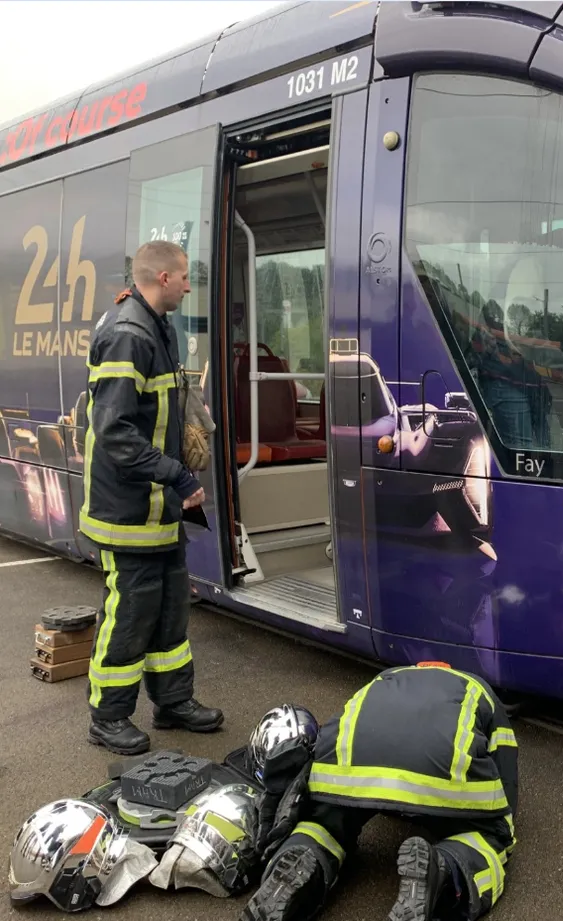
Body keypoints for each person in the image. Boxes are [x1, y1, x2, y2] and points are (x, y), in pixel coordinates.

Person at [80, 239, 223, 757]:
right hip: (127, 509)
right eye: (183, 277)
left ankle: (173, 703)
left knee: (169, 609)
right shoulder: (128, 334)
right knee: (131, 613)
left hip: (157, 506)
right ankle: (108, 717)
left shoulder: (157, 325)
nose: (188, 286)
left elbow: (160, 411)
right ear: (163, 278)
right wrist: (178, 476)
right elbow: (115, 432)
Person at [241, 661, 519, 921]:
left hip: (350, 763)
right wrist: (498, 823)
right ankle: (444, 870)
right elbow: (505, 767)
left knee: (324, 822)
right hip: (439, 764)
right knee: (491, 838)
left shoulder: (386, 678)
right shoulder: (479, 688)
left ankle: (303, 854)